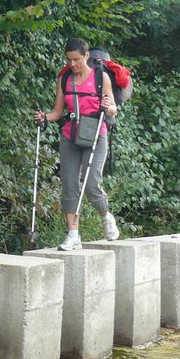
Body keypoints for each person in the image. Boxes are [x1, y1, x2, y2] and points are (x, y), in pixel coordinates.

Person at [34, 37, 120, 250]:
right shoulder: (65, 80)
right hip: (70, 135)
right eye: (69, 60)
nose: (72, 65)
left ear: (87, 56)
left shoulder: (101, 78)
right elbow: (57, 111)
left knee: (91, 184)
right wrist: (44, 117)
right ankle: (73, 234)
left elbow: (113, 110)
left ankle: (106, 216)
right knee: (69, 186)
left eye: (77, 60)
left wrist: (108, 106)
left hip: (96, 135)